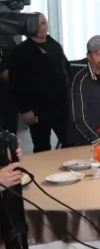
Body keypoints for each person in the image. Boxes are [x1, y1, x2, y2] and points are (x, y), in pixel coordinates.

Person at [9, 12, 71, 152]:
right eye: (39, 23)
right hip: (37, 108)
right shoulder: (21, 51)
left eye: (45, 22)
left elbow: (66, 70)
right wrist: (25, 109)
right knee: (42, 145)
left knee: (68, 141)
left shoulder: (54, 44)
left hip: (60, 105)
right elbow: (16, 83)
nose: (44, 26)